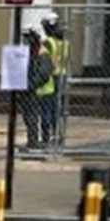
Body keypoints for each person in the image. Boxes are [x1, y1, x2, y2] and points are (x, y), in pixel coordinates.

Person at [21, 24, 56, 153]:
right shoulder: (27, 52)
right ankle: (33, 141)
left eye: (28, 37)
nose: (26, 40)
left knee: (36, 117)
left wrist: (30, 85)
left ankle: (37, 142)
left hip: (39, 91)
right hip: (29, 90)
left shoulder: (42, 53)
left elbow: (44, 75)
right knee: (29, 116)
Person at [42, 11, 69, 148]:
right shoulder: (64, 42)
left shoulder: (48, 42)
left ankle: (48, 134)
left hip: (51, 76)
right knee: (57, 107)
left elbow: (45, 59)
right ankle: (57, 132)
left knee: (48, 106)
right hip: (62, 74)